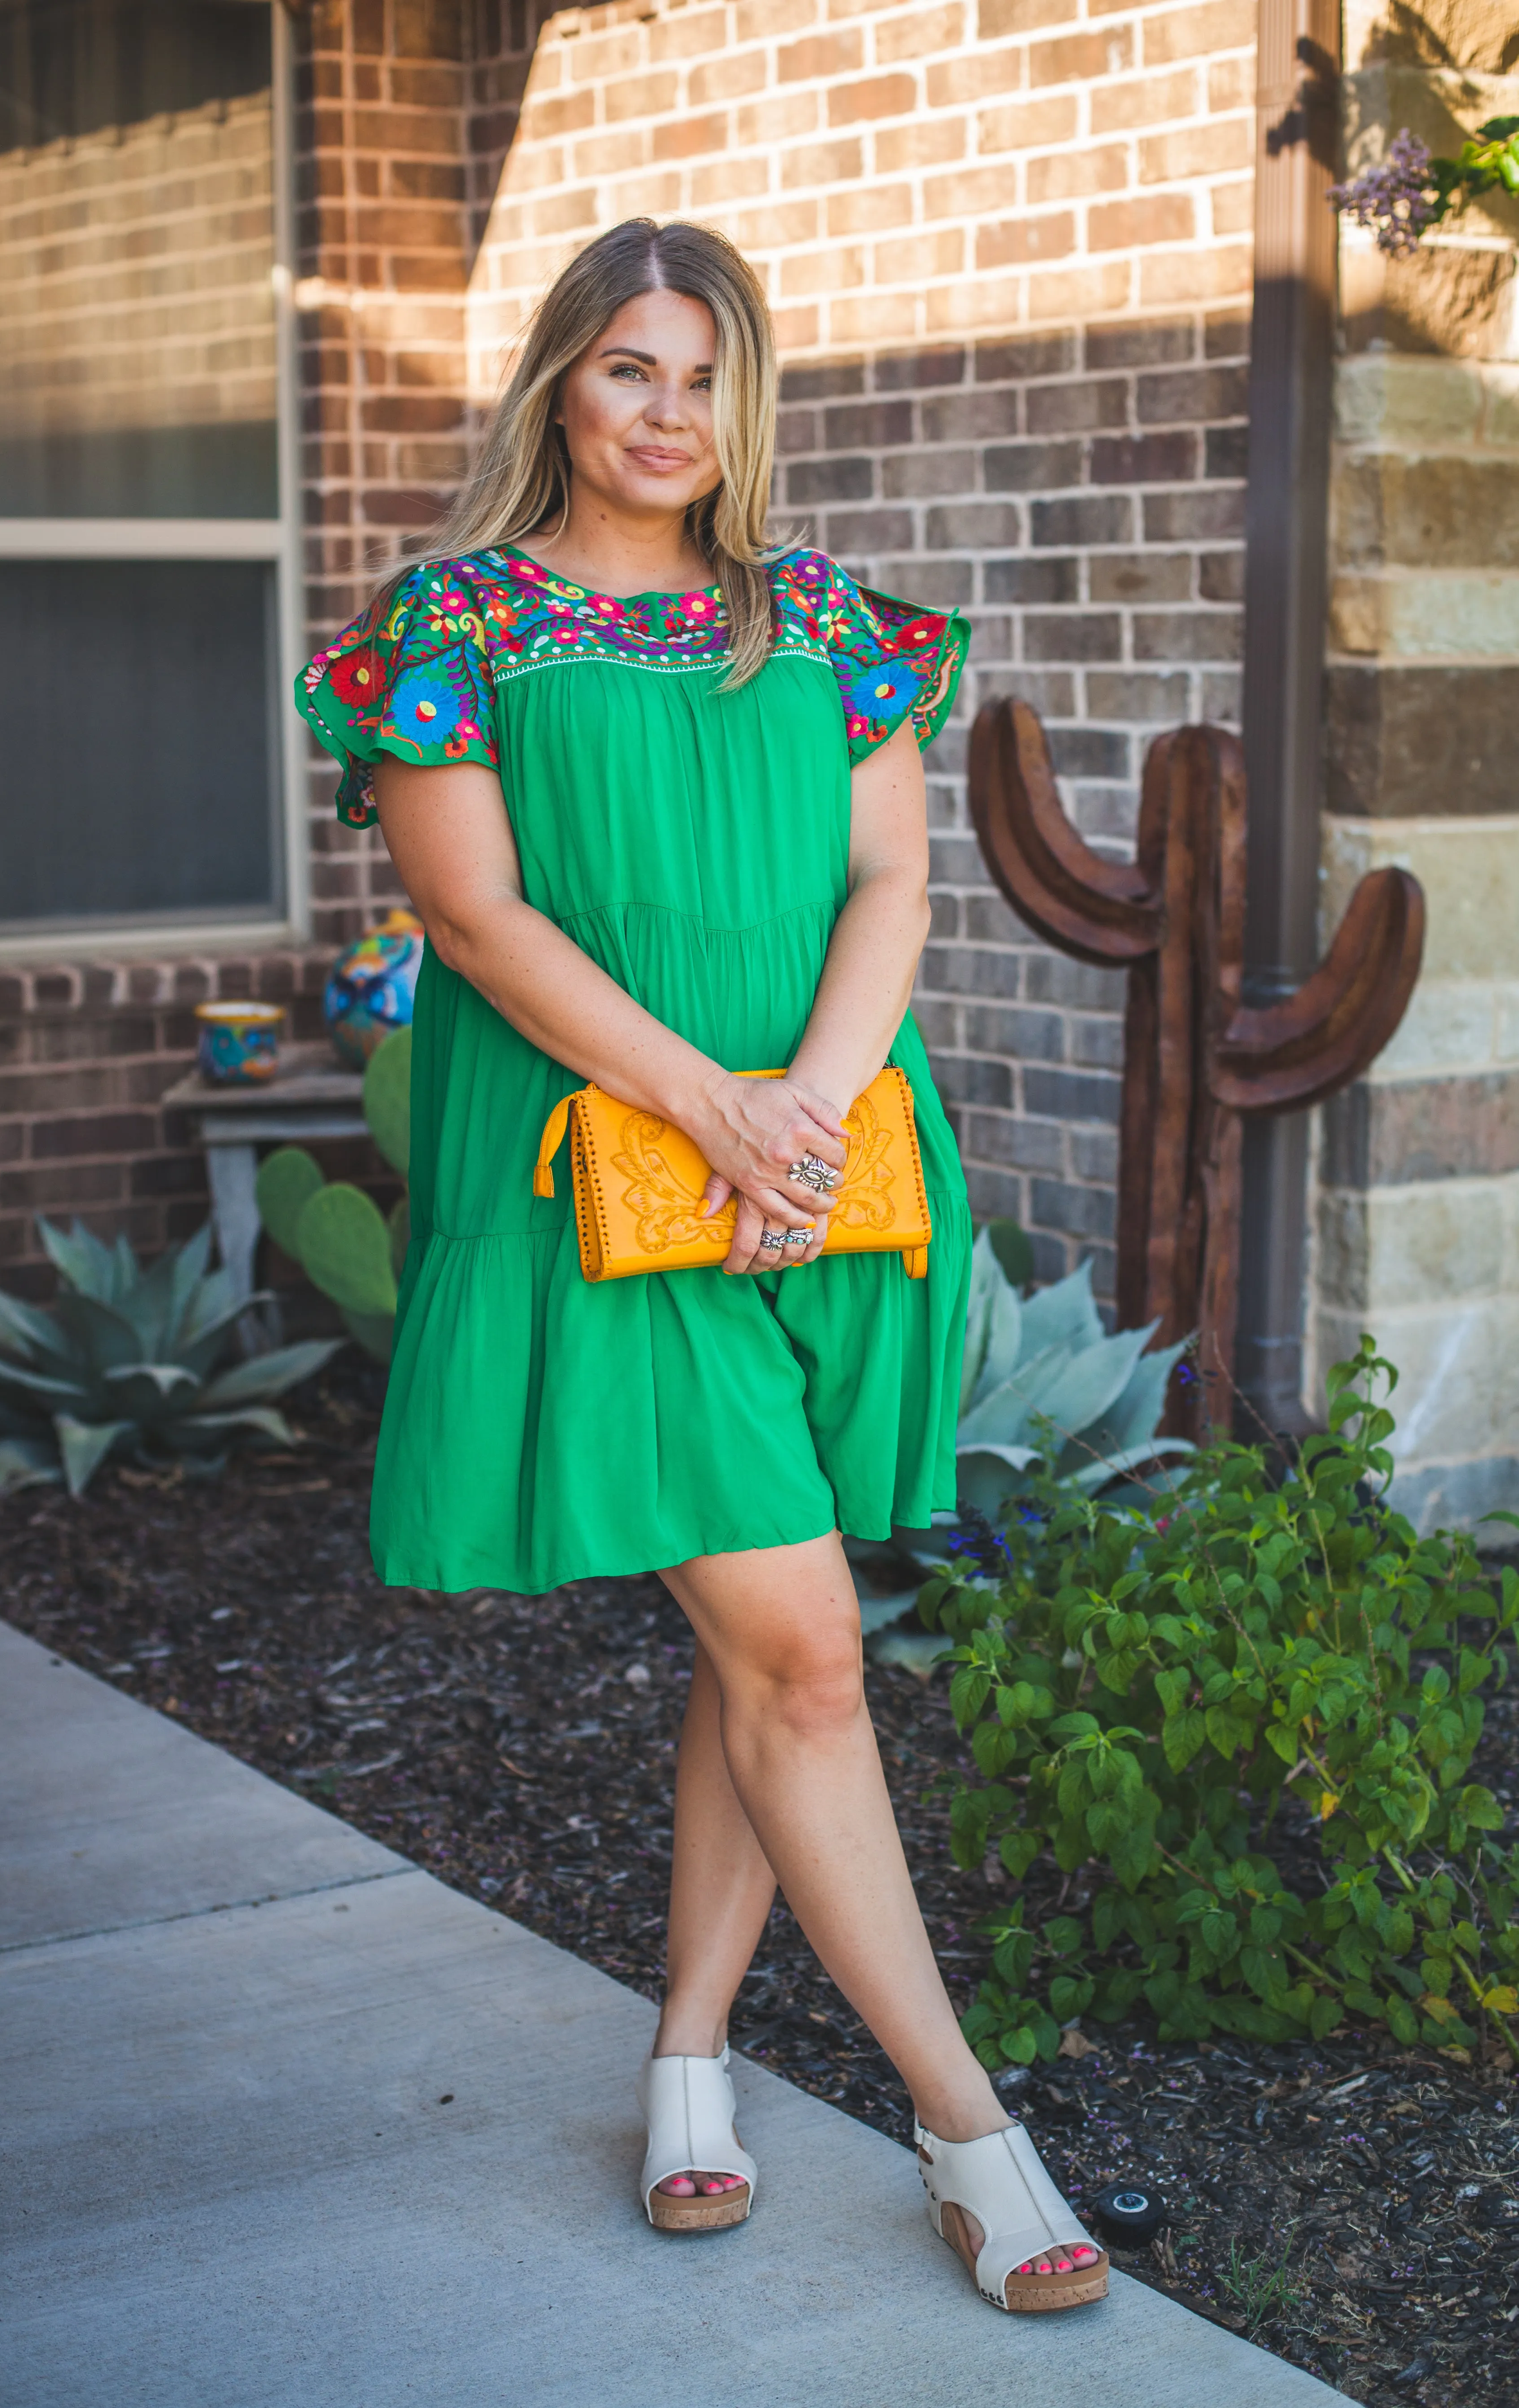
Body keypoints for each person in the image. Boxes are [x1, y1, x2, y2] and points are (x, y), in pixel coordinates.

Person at [296, 217, 1106, 2313]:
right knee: (809, 1653)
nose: (671, 417)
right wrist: (716, 1110)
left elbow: (893, 880)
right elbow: (475, 923)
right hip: (603, 1191)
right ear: (561, 379)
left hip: (820, 1177)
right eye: (632, 370)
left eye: (707, 379)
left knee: (765, 1647)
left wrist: (808, 1114)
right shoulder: (453, 625)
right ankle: (971, 2135)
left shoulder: (823, 618)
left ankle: (683, 2065)